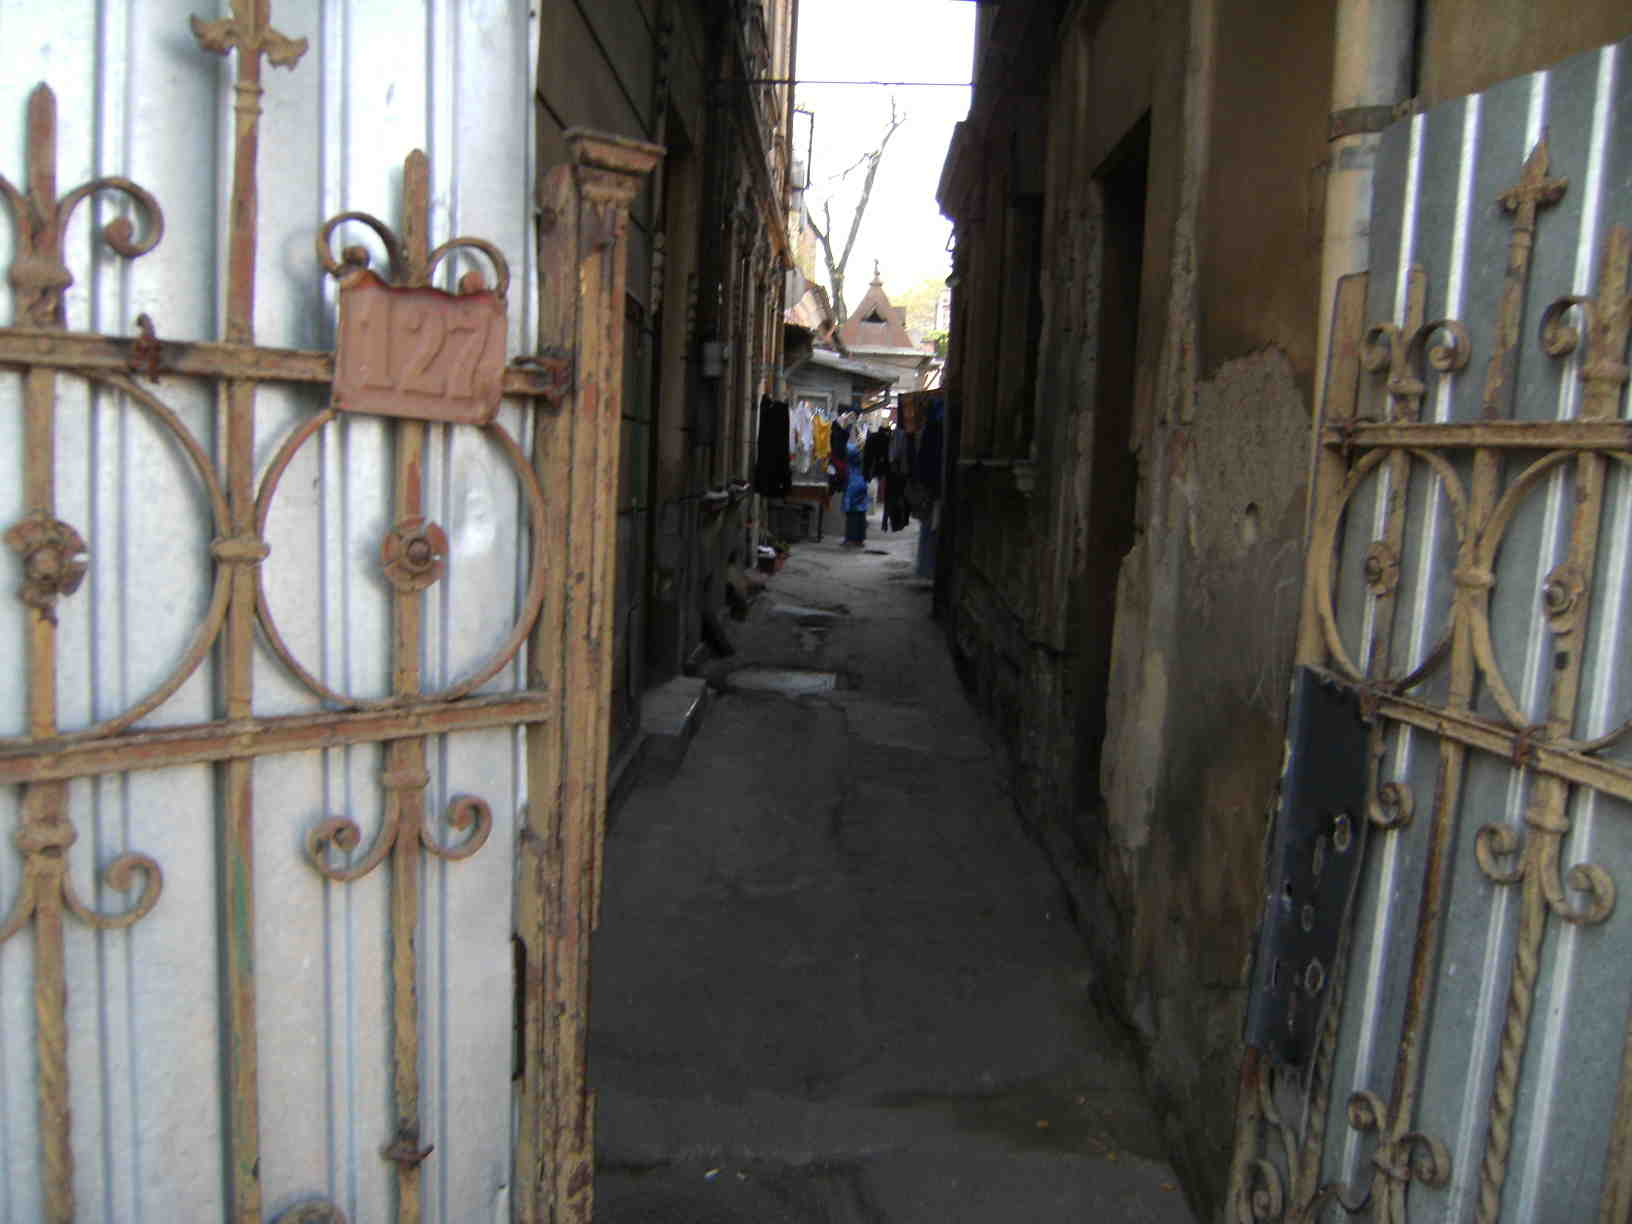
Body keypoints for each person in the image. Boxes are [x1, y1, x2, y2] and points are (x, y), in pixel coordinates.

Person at [841, 440, 868, 547]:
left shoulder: (851, 451)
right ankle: (859, 539)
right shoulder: (860, 455)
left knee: (852, 513)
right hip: (862, 482)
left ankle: (851, 539)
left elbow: (847, 450)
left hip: (853, 484)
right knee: (861, 512)